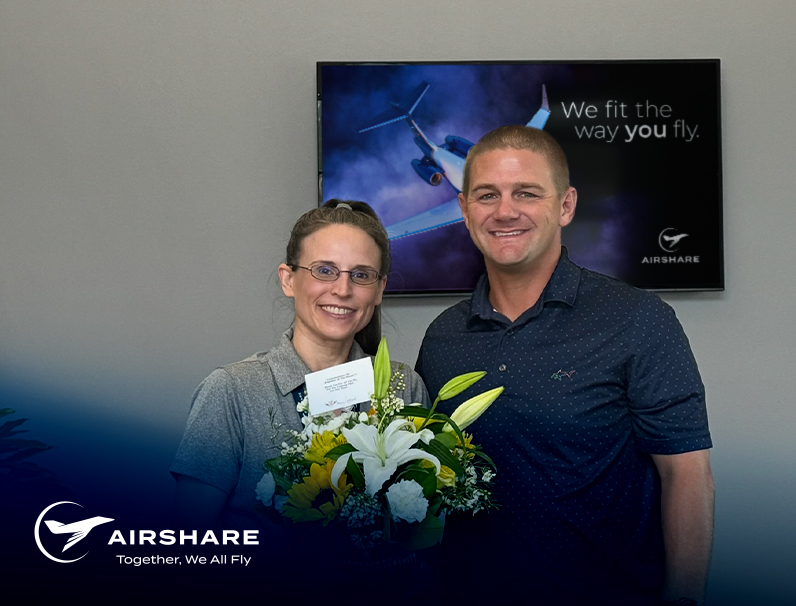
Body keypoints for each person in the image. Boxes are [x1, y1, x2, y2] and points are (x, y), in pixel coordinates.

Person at [415, 126, 714, 606]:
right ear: (464, 211)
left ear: (566, 206)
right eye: (487, 195)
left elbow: (687, 474)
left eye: (526, 193)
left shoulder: (639, 319)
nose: (505, 211)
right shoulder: (443, 338)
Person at [171, 199, 430, 554]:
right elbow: (190, 544)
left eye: (361, 274)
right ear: (288, 279)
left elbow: (425, 531)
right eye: (324, 270)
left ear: (380, 289)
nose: (342, 290)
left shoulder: (404, 386)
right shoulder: (232, 391)